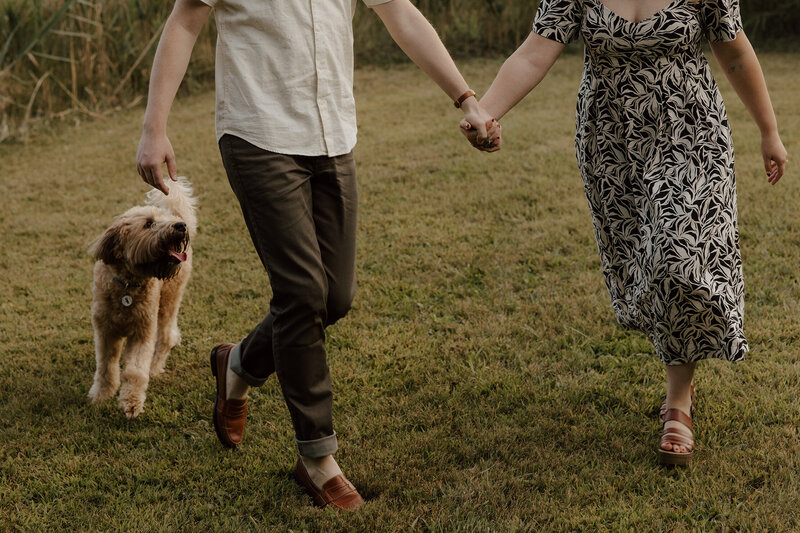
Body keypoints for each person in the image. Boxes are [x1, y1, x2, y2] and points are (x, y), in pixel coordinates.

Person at [136, 0, 500, 510]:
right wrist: (155, 127)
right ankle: (317, 457)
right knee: (303, 292)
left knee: (335, 297)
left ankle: (238, 363)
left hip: (333, 136)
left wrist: (466, 98)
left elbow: (400, 12)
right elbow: (185, 19)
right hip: (256, 134)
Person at [462, 0, 787, 466]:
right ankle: (680, 377)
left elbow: (734, 53)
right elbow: (534, 53)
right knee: (646, 263)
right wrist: (486, 112)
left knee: (680, 258)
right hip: (611, 142)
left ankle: (678, 401)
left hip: (690, 133)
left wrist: (768, 131)